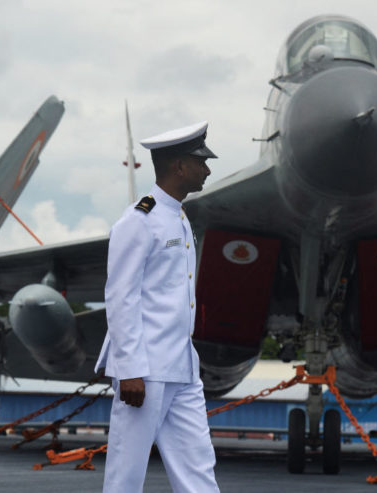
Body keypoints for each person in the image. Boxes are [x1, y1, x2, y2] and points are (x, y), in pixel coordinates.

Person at [95, 121, 218, 493]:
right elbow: (121, 297)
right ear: (179, 166)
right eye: (201, 162)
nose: (207, 170)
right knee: (127, 471)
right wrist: (130, 369)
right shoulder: (138, 221)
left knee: (198, 465)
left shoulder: (178, 217)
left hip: (181, 365)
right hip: (145, 370)